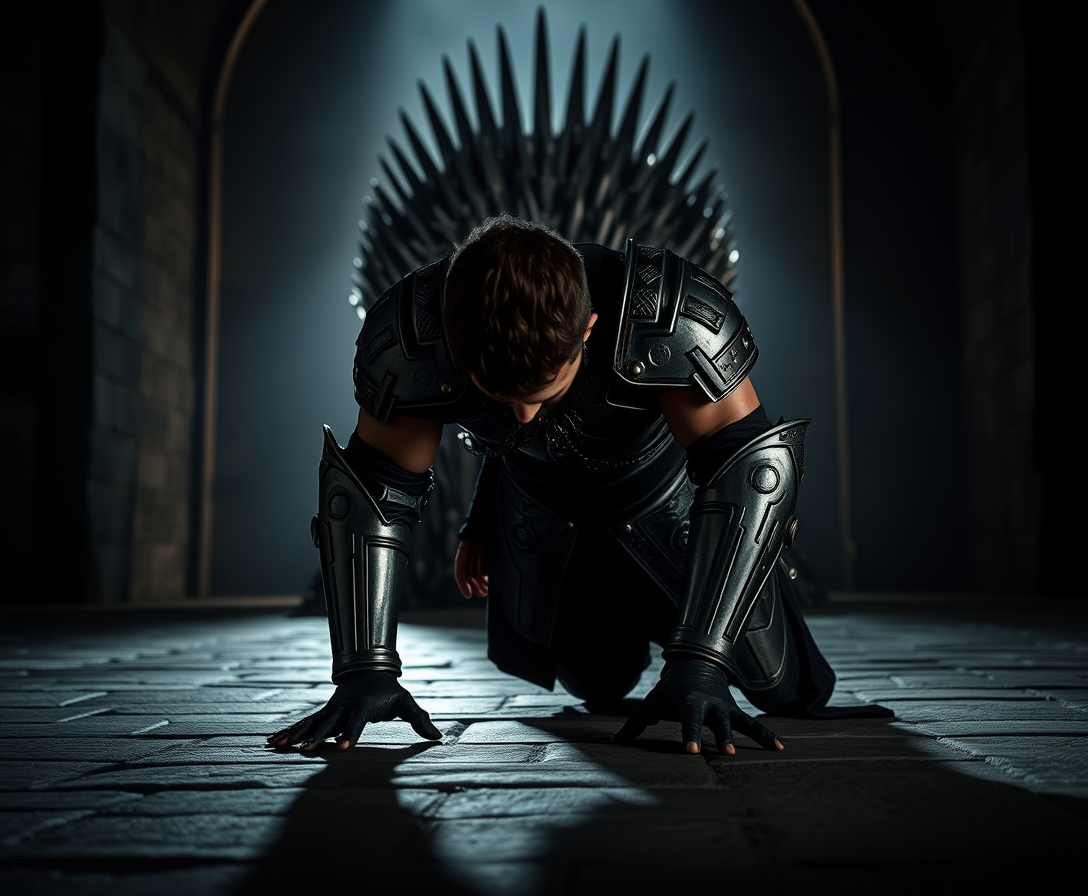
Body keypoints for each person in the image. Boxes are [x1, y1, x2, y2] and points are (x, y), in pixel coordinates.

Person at [269, 215, 879, 757]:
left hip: (675, 517)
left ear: (588, 329)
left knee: (784, 688)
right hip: (549, 517)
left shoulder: (667, 312)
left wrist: (702, 661)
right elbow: (374, 494)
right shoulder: (417, 332)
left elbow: (751, 472)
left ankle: (699, 643)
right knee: (598, 683)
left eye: (543, 393)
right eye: (500, 396)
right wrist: (363, 671)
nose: (524, 416)